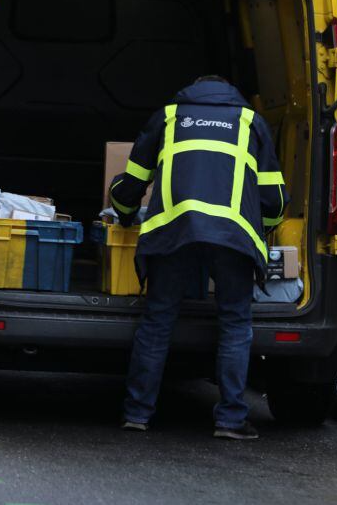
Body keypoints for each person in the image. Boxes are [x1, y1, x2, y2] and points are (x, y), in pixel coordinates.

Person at [108, 75, 288, 440]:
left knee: (158, 321)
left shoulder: (169, 115)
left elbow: (132, 183)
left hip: (175, 232)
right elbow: (274, 200)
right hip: (233, 236)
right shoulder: (251, 121)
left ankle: (137, 414)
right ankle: (231, 421)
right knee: (235, 324)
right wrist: (266, 228)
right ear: (231, 92)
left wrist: (123, 212)